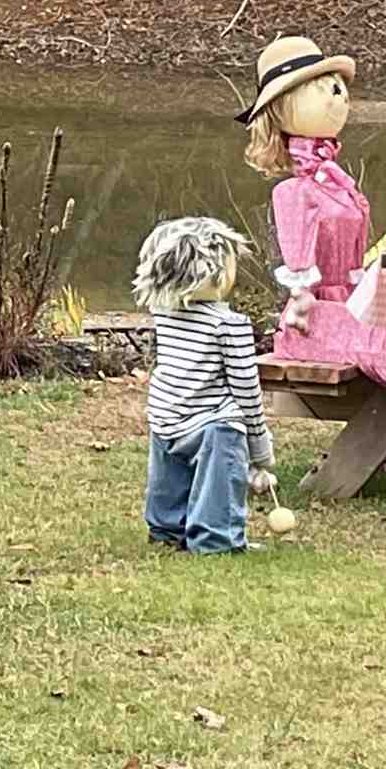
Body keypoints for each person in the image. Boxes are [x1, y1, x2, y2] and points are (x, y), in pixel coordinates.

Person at [244, 34, 386, 472]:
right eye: (323, 87)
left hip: (353, 298)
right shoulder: (293, 191)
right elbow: (299, 268)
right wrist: (302, 303)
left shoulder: (336, 180)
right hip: (316, 317)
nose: (339, 96)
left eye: (338, 86)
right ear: (287, 107)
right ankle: (381, 450)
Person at [132, 216, 278, 554]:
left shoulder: (163, 313)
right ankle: (217, 538)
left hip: (165, 412)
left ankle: (168, 528)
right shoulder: (231, 325)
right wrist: (259, 449)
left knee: (168, 473)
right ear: (211, 270)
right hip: (212, 422)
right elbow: (247, 392)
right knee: (223, 453)